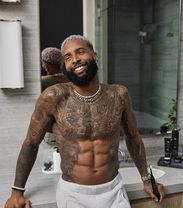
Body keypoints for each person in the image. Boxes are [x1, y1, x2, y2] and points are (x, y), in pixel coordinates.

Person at [4, 35, 164, 208]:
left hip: (114, 190)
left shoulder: (119, 95)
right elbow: (31, 143)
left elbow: (133, 138)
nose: (75, 60)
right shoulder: (54, 97)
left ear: (95, 56)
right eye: (68, 57)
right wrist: (17, 192)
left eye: (80, 52)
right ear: (64, 66)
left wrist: (147, 180)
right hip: (73, 194)